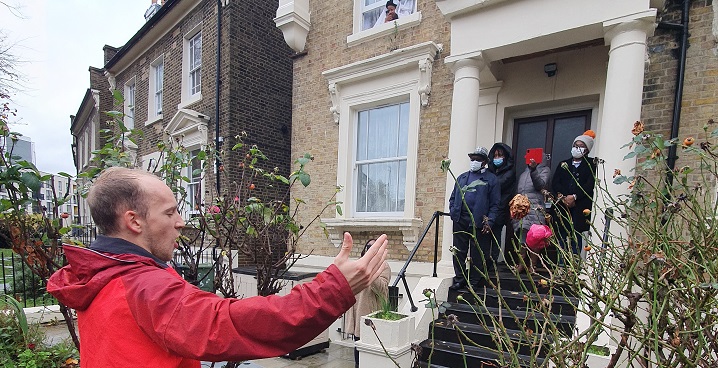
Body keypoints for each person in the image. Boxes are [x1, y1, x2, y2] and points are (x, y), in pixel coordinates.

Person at [46, 167, 388, 367]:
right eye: (169, 212)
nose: (181, 222)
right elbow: (229, 323)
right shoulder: (140, 285)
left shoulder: (99, 273)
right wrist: (334, 288)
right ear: (133, 221)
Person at [448, 146, 500, 290]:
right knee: (459, 251)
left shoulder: (491, 179)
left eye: (478, 159)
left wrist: (489, 221)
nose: (474, 162)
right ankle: (460, 278)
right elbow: (453, 197)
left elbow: (495, 204)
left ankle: (475, 281)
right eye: (472, 159)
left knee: (478, 253)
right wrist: (453, 211)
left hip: (478, 221)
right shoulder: (462, 177)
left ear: (484, 162)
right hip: (460, 219)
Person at [345, 238, 391, 368]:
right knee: (357, 351)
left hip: (369, 316)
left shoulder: (384, 266)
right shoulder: (359, 265)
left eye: (374, 247)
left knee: (370, 354)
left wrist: (372, 273)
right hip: (356, 313)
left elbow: (382, 289)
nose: (370, 249)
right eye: (368, 246)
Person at [551, 130, 597, 258]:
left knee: (576, 236)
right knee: (562, 236)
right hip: (563, 206)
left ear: (587, 149)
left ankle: (574, 264)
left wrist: (575, 196)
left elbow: (589, 184)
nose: (577, 148)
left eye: (581, 146)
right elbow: (556, 183)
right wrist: (564, 196)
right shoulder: (563, 164)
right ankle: (561, 265)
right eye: (575, 146)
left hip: (580, 207)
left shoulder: (591, 165)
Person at [511, 156, 551, 273]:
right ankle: (521, 264)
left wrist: (534, 170)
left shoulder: (544, 170)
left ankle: (533, 266)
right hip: (523, 209)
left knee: (536, 237)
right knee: (522, 236)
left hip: (536, 208)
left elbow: (540, 185)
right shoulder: (524, 172)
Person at [488, 143, 516, 264]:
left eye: (500, 155)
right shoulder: (491, 172)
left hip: (500, 207)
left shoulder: (509, 172)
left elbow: (498, 185)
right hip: (488, 208)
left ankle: (493, 261)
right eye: (495, 155)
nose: (497, 158)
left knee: (495, 236)